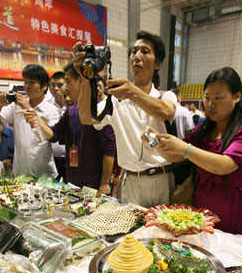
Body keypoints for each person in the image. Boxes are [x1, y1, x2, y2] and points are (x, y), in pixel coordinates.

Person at [143, 67, 242, 237]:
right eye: (207, 97)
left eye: (218, 98)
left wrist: (186, 149)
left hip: (231, 209)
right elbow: (175, 156)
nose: (211, 104)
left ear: (237, 97)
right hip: (202, 206)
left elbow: (225, 165)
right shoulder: (204, 129)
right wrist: (156, 141)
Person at [73, 30, 177, 208]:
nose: (136, 56)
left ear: (158, 63)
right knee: (132, 233)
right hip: (131, 180)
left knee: (163, 230)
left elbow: (164, 112)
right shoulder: (115, 99)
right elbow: (87, 118)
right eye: (133, 51)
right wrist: (85, 78)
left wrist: (131, 92)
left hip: (162, 178)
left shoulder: (164, 96)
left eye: (145, 51)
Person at [18, 63, 116, 194]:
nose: (66, 88)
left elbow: (109, 150)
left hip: (94, 181)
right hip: (73, 180)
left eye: (68, 81)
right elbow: (53, 136)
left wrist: (104, 183)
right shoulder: (71, 112)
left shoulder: (100, 110)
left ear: (81, 80)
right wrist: (36, 118)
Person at [0, 64, 60, 179]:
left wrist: (27, 108)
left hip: (43, 173)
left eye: (32, 82)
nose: (27, 86)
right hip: (20, 173)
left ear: (44, 86)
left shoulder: (52, 111)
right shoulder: (16, 106)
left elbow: (48, 137)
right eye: (25, 82)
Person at [49, 71, 67, 181]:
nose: (55, 89)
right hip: (51, 158)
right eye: (53, 85)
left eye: (60, 85)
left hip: (70, 158)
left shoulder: (74, 106)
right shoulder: (47, 107)